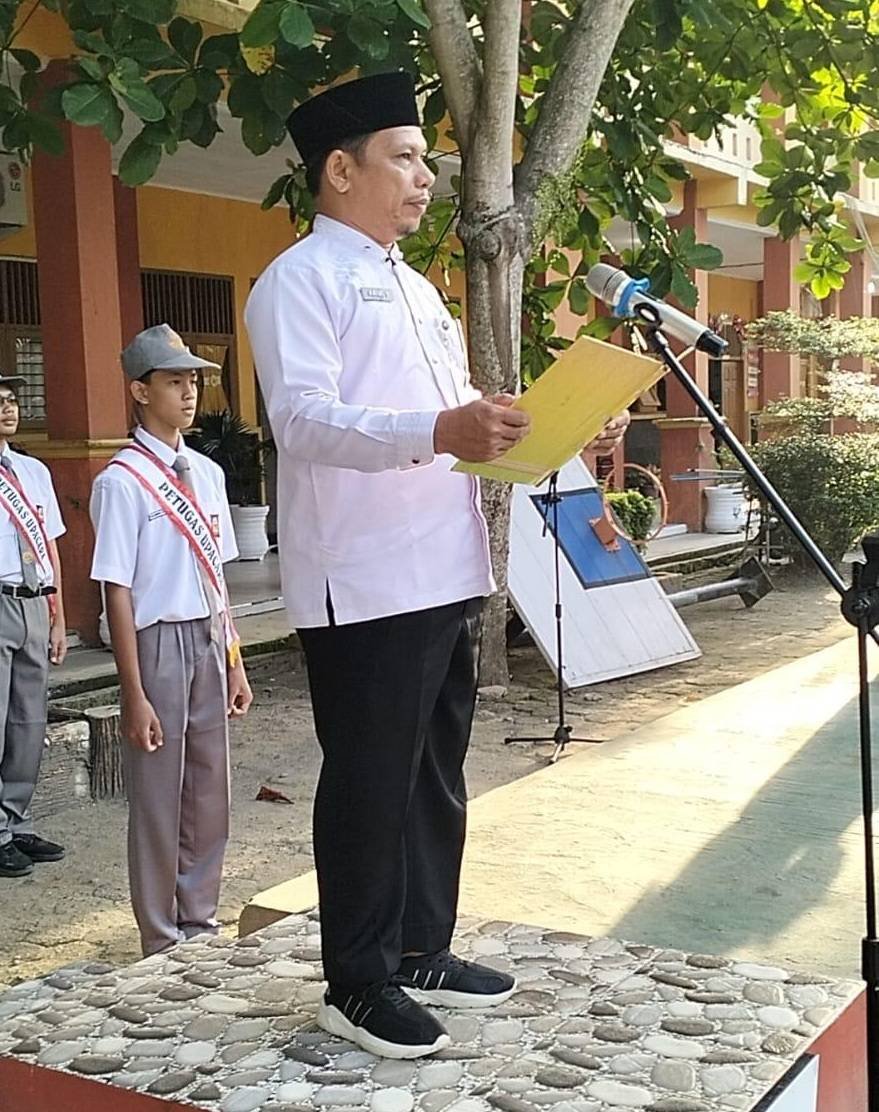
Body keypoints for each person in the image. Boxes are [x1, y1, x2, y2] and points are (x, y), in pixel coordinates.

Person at [245, 71, 629, 1059]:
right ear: (341, 169)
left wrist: (545, 422)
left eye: (425, 161)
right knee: (371, 778)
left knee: (432, 772)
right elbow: (303, 419)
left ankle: (421, 946)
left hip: (441, 563)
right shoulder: (300, 280)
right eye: (405, 158)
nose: (425, 179)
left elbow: (459, 425)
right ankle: (357, 978)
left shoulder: (416, 289)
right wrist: (442, 423)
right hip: (364, 574)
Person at [89, 324, 253, 956]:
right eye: (173, 381)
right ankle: (160, 934)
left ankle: (200, 918)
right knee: (160, 795)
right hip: (155, 644)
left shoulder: (206, 475)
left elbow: (218, 580)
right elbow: (117, 591)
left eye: (193, 381)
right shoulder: (121, 481)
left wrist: (235, 660)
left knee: (210, 788)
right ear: (139, 390)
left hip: (209, 642)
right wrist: (133, 692)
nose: (188, 393)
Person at [0, 375, 67, 878]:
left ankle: (13, 819)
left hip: (34, 604)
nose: (7, 409)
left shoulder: (32, 471)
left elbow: (51, 546)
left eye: (11, 400)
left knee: (28, 720)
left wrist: (58, 612)